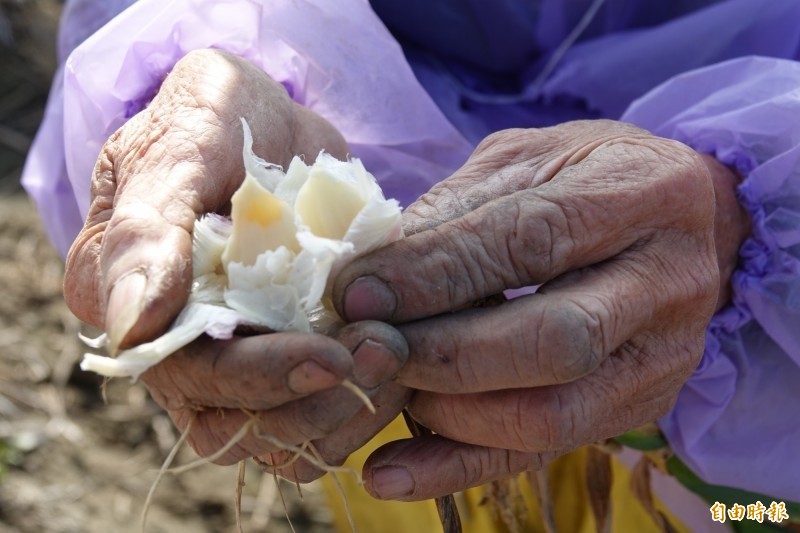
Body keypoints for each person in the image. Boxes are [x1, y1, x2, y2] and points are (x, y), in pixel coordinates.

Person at [23, 0, 800, 530]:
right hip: (377, 378)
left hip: (764, 386)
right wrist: (192, 83)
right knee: (406, 474)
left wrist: (752, 210)